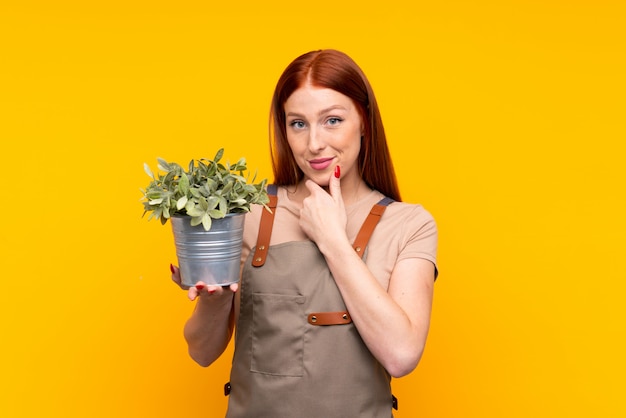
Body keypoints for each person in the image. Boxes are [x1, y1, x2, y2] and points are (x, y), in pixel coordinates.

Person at [170, 49, 438, 418]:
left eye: (332, 120)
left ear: (364, 121)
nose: (314, 143)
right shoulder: (249, 214)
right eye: (298, 123)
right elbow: (201, 353)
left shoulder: (410, 225)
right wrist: (214, 303)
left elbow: (402, 355)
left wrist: (332, 240)